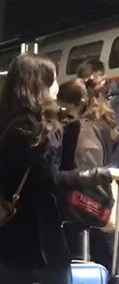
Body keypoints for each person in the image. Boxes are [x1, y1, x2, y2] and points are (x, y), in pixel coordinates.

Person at [0, 53, 112, 284]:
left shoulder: (3, 123)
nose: (57, 85)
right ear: (39, 84)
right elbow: (51, 180)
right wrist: (93, 175)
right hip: (41, 233)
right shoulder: (41, 127)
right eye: (52, 78)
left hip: (8, 230)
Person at [58, 78, 119, 268]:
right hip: (105, 208)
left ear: (76, 104)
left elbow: (88, 175)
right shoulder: (103, 122)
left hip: (90, 213)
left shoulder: (83, 132)